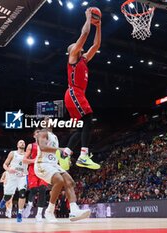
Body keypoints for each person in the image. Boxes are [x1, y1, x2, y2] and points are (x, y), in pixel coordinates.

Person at [62, 8, 102, 170]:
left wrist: (99, 26)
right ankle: (83, 155)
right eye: (74, 46)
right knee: (88, 119)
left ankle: (65, 153)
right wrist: (87, 17)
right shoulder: (72, 58)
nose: (77, 47)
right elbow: (84, 35)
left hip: (77, 94)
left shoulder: (84, 59)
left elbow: (96, 44)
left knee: (81, 128)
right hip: (73, 92)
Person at [35, 127, 91, 222]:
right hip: (42, 163)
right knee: (59, 180)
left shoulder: (54, 137)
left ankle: (74, 211)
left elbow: (53, 152)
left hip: (53, 164)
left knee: (70, 182)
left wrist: (64, 153)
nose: (49, 119)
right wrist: (60, 149)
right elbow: (43, 148)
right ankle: (49, 211)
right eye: (46, 118)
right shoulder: (42, 133)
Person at [22, 129, 48, 222]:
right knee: (33, 190)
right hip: (33, 169)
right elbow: (24, 160)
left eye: (40, 133)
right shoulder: (31, 146)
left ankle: (39, 214)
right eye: (37, 133)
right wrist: (34, 160)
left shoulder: (46, 145)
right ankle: (29, 207)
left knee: (42, 190)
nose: (38, 134)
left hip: (43, 170)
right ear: (34, 136)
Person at [0, 140, 28, 222]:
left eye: (23, 142)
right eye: (20, 142)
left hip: (22, 176)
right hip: (12, 176)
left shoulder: (27, 154)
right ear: (17, 145)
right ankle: (4, 199)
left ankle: (19, 213)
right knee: (8, 196)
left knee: (22, 194)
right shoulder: (13, 153)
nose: (22, 143)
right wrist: (8, 169)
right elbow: (4, 164)